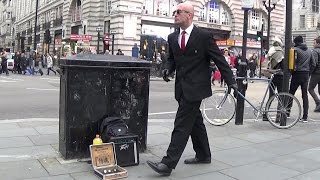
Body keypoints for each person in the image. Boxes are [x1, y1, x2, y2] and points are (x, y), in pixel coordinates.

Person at [146, 2, 237, 176]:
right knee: (195, 122)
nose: (175, 14)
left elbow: (219, 59)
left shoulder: (203, 36)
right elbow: (172, 59)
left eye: (178, 12)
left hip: (196, 88)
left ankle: (167, 163)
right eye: (174, 12)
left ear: (189, 15)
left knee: (181, 124)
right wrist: (167, 69)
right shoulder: (173, 37)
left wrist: (230, 80)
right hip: (181, 87)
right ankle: (203, 155)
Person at [289, 36, 315, 122]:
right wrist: (309, 72)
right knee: (305, 95)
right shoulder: (309, 51)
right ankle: (305, 117)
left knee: (291, 93)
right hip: (306, 74)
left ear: (296, 42)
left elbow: (291, 63)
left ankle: (287, 112)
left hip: (297, 74)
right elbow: (313, 64)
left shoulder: (294, 50)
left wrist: (292, 72)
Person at [309, 37, 320, 112]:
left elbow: (314, 63)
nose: (313, 44)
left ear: (318, 44)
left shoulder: (315, 51)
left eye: (314, 43)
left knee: (310, 89)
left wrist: (310, 72)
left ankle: (318, 102)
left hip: (316, 73)